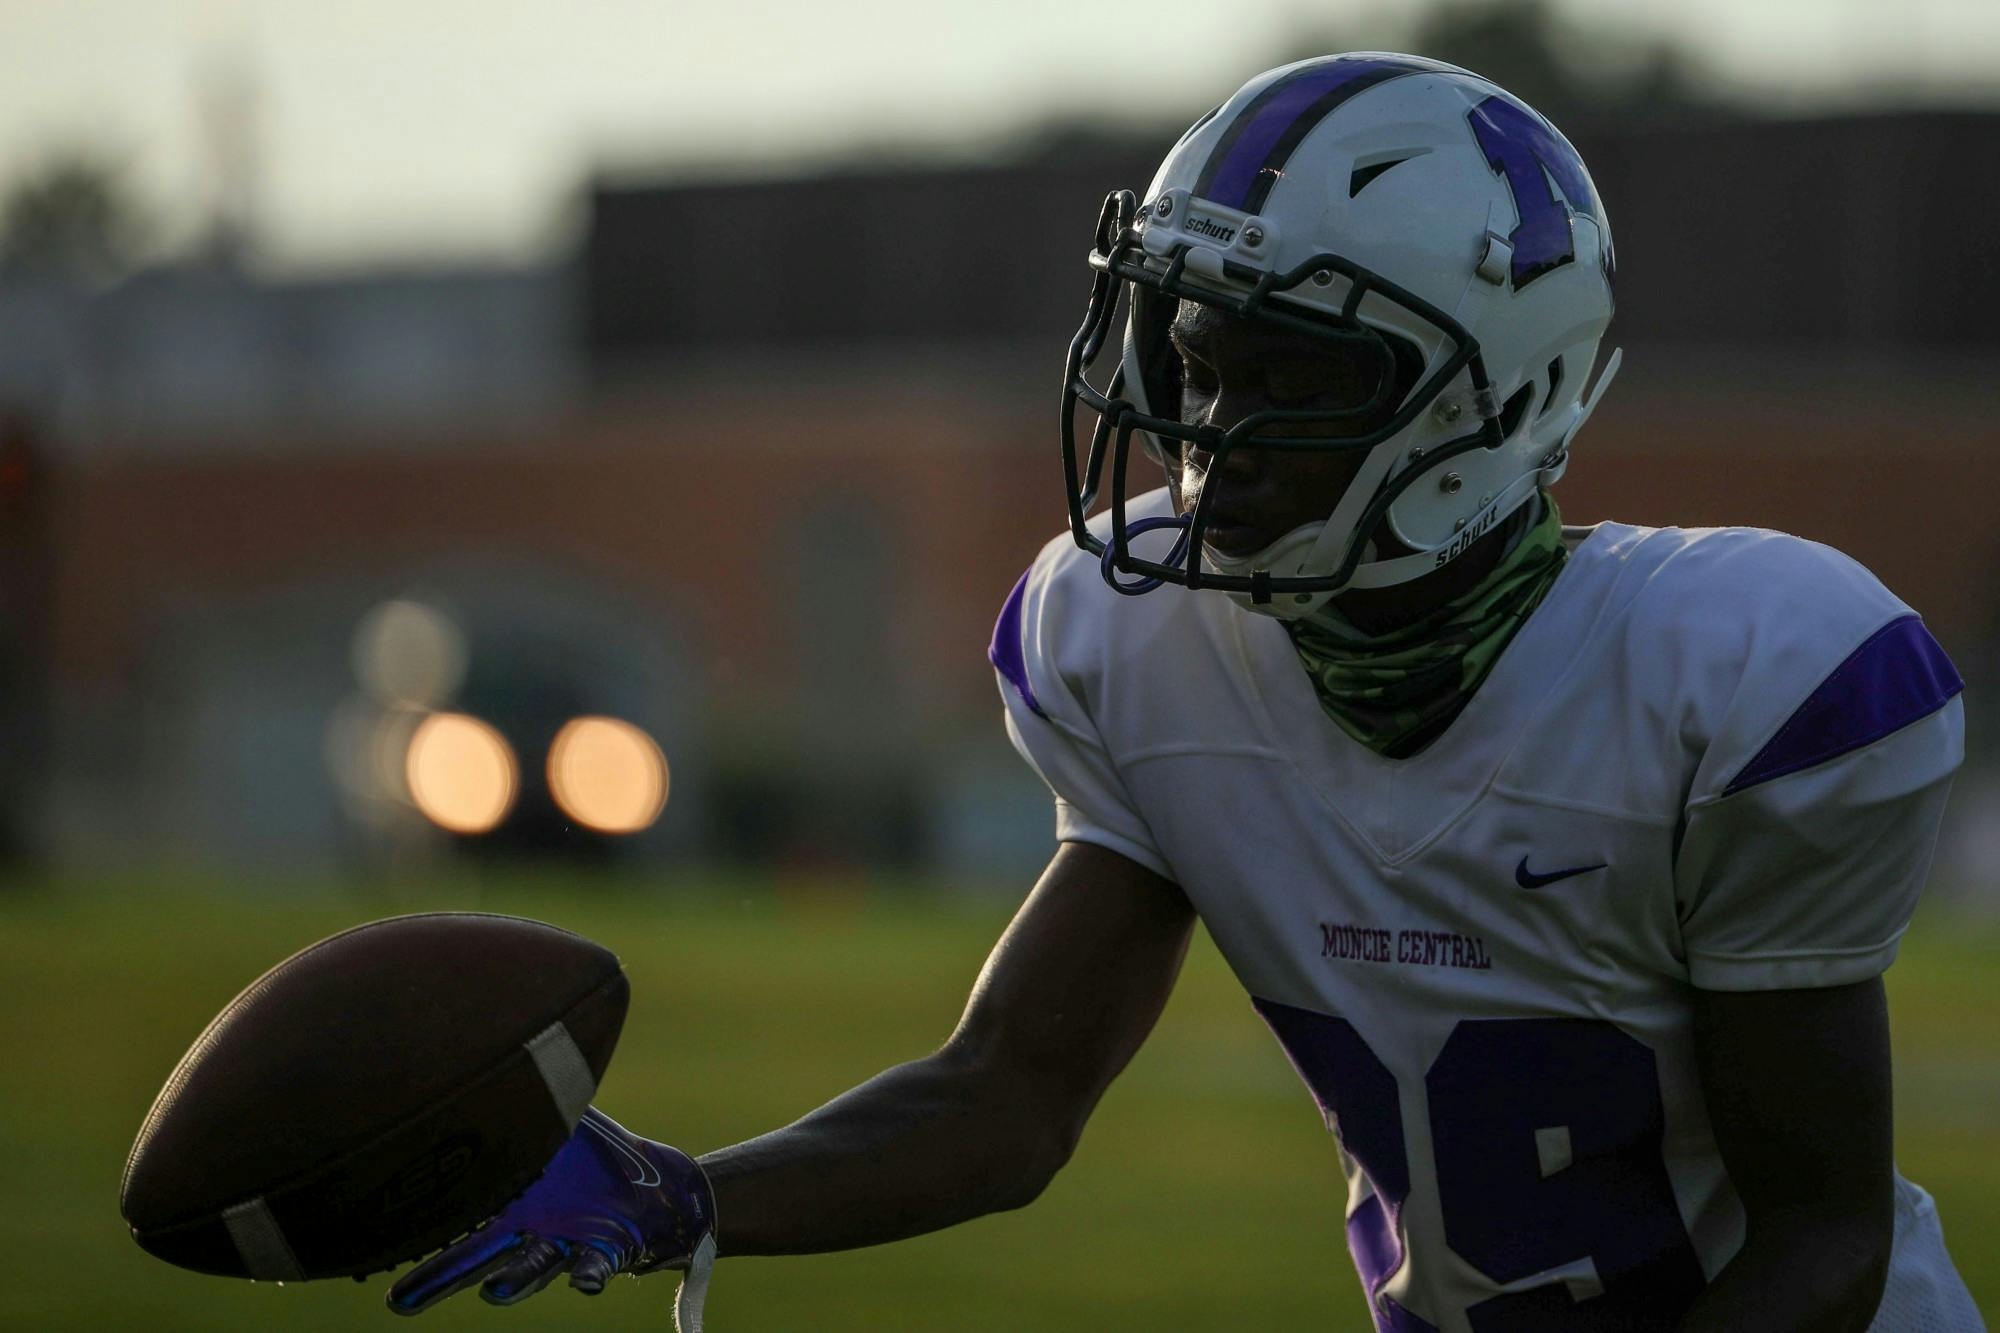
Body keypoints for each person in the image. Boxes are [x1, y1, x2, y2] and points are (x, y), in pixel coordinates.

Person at [386, 54, 1982, 1332]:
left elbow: (1824, 1246)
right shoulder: (1145, 646)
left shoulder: (1744, 682)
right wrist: (685, 1193)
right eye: (1207, 361)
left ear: (1502, 396)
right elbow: (1006, 1096)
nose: (1220, 430)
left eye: (1306, 378)